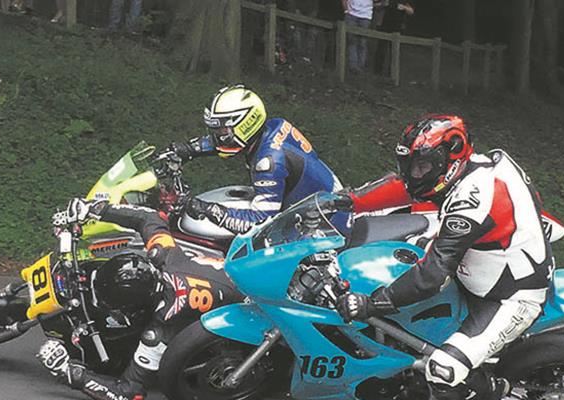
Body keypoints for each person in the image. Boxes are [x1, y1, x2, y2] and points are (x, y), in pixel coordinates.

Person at [335, 115, 554, 400]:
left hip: (508, 295)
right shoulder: (471, 168)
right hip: (482, 267)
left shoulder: (472, 203)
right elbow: (405, 186)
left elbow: (430, 277)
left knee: (444, 369)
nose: (415, 174)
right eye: (412, 165)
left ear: (449, 159)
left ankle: (489, 391)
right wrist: (349, 201)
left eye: (421, 167)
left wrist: (370, 304)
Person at [37, 200, 241, 400]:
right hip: (237, 276)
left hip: (246, 319)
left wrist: (72, 374)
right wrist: (94, 208)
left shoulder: (164, 321)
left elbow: (129, 393)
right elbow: (148, 217)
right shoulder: (164, 254)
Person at [168, 84, 342, 235]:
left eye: (222, 131)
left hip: (326, 225)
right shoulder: (276, 126)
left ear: (246, 123)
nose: (218, 137)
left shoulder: (268, 163)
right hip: (330, 198)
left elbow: (259, 222)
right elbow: (226, 142)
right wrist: (190, 149)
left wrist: (207, 209)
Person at [374, 1, 414, 76]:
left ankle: (392, 72)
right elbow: (375, 6)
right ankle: (377, 71)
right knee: (381, 49)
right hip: (384, 25)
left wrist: (404, 7)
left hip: (398, 27)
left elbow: (411, 11)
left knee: (395, 50)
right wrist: (383, 5)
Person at [342, 0, 373, 74]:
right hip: (351, 14)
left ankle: (360, 67)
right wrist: (346, 10)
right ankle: (352, 66)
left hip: (366, 16)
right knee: (351, 41)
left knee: (362, 42)